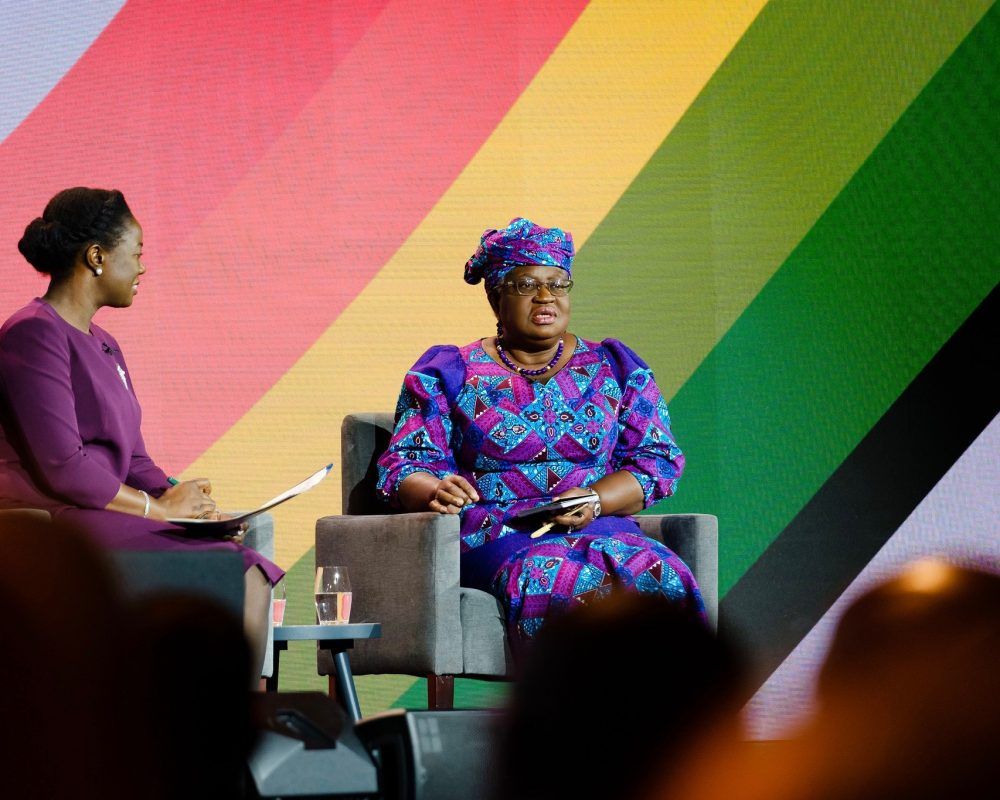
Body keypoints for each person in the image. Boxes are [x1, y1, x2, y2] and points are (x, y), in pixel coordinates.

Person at [377, 217, 703, 650]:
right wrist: (434, 490)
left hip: (598, 525)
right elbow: (404, 464)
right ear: (495, 297)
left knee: (655, 572)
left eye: (558, 283)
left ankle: (679, 716)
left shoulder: (614, 366)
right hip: (499, 532)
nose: (546, 296)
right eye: (526, 284)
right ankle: (565, 714)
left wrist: (594, 499)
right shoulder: (449, 371)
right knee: (565, 580)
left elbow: (656, 460)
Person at [0, 187, 281, 675]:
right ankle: (235, 736)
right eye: (137, 254)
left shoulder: (105, 344)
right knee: (236, 571)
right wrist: (158, 509)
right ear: (96, 257)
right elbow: (63, 467)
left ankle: (229, 733)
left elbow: (135, 462)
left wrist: (189, 503)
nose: (143, 268)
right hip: (56, 520)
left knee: (241, 559)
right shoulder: (34, 332)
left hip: (102, 513)